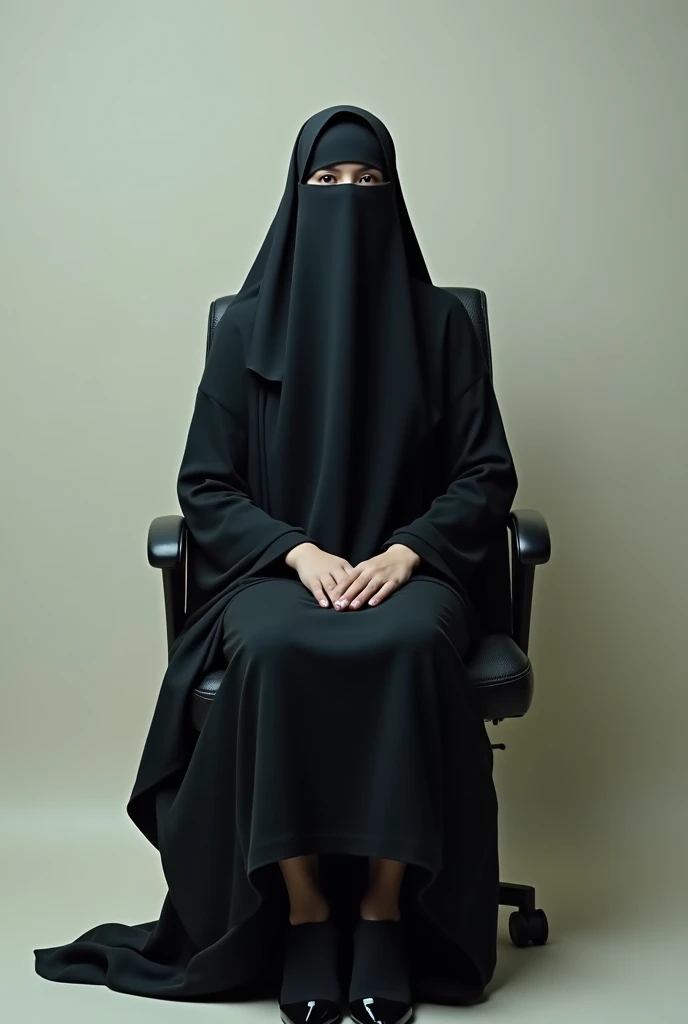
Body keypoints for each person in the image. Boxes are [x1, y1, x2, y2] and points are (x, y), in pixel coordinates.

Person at [34, 105, 519, 1024]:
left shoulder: (445, 328)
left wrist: (405, 553)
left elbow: (485, 471)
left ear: (396, 197)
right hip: (273, 575)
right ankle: (301, 913)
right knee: (273, 651)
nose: (348, 201)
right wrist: (298, 552)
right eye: (327, 185)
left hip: (410, 576)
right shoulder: (244, 329)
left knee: (413, 647)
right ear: (296, 200)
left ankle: (380, 913)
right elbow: (206, 484)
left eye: (368, 185)